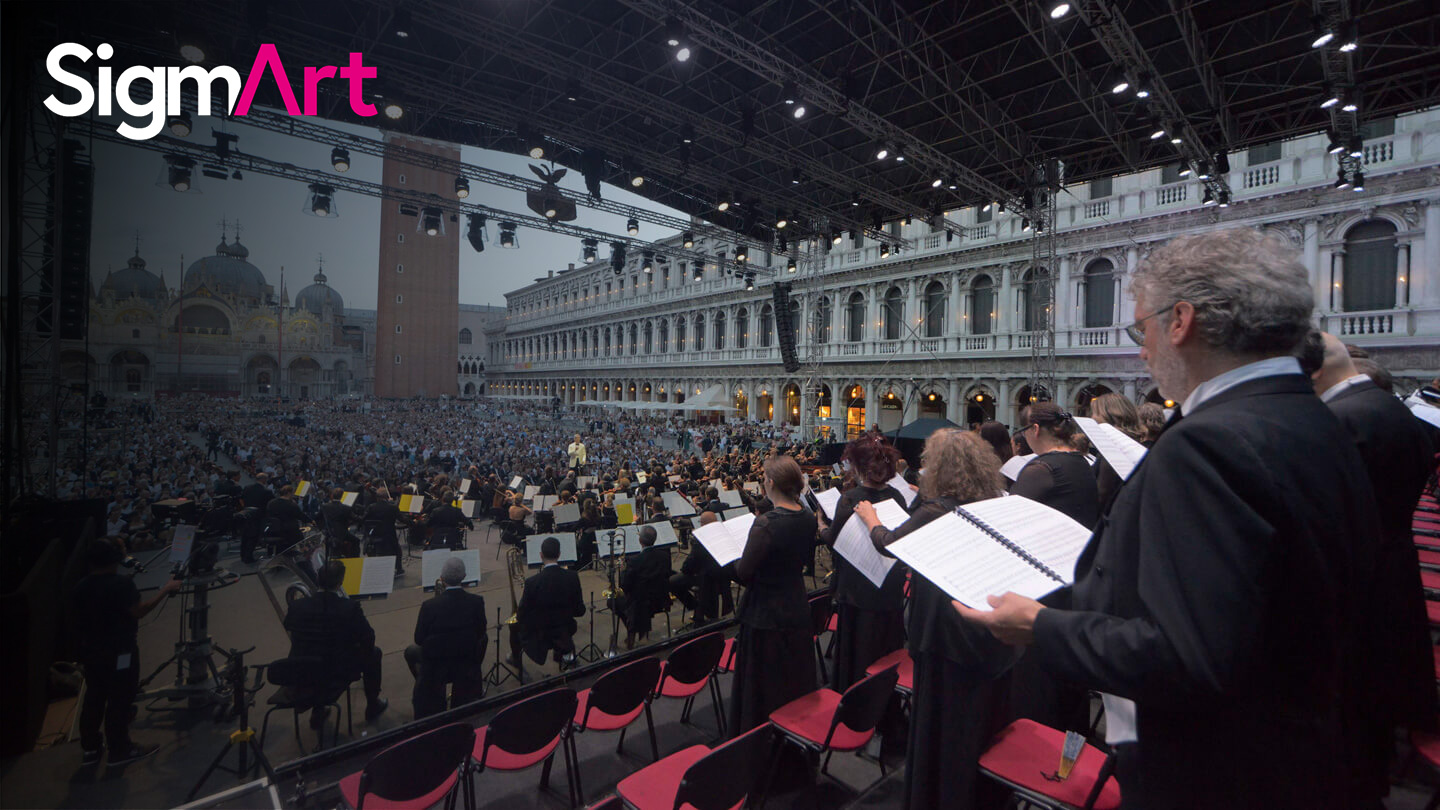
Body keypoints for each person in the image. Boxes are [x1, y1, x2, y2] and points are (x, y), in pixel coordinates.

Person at [954, 228, 1380, 809]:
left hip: (1217, 771)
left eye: (1142, 328)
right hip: (1305, 752)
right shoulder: (1317, 422)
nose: (1141, 350)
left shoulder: (1210, 444)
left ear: (1180, 321)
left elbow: (1187, 656)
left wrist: (1039, 626)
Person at [1307, 330, 1438, 805]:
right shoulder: (1390, 409)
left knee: (1352, 719)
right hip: (1391, 574)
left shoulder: (1341, 420)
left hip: (1357, 586)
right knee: (1371, 717)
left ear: (1314, 371)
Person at [856, 430, 1017, 810]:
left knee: (941, 719)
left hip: (943, 629)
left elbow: (890, 543)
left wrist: (870, 517)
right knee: (969, 717)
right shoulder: (991, 501)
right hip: (980, 623)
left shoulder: (937, 509)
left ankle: (936, 791)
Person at [727, 455, 818, 734]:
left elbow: (744, 572)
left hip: (765, 613)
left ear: (771, 483)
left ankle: (759, 736)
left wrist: (728, 556)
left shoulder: (767, 524)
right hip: (795, 603)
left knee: (764, 685)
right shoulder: (807, 516)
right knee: (790, 679)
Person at [72, 539, 183, 766]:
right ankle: (120, 749)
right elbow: (138, 611)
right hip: (120, 652)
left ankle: (91, 748)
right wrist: (166, 590)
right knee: (120, 698)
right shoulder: (121, 585)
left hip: (91, 652)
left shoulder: (80, 586)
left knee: (94, 697)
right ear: (116, 559)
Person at [816, 433, 909, 691]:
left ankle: (855, 701)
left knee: (857, 652)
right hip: (888, 587)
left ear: (857, 467)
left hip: (857, 591)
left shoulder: (850, 500)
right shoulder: (898, 498)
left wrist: (822, 526)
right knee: (885, 650)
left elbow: (835, 541)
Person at [283, 560, 389, 727]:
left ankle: (318, 711)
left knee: (314, 653)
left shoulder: (297, 606)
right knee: (374, 653)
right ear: (341, 582)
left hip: (300, 672)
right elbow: (368, 638)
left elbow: (288, 626)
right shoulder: (349, 608)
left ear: (318, 580)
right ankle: (372, 704)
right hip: (334, 672)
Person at [404, 557, 487, 718]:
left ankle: (428, 685)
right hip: (464, 659)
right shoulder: (476, 602)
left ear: (442, 579)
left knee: (410, 651)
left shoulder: (429, 606)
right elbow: (480, 632)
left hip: (436, 663)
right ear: (464, 577)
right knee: (484, 640)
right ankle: (470, 681)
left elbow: (419, 639)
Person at [515, 536, 586, 670]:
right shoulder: (572, 577)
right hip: (566, 628)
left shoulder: (532, 582)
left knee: (516, 628)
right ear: (559, 555)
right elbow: (580, 611)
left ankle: (515, 658)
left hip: (541, 633)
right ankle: (565, 654)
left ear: (541, 555)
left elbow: (522, 614)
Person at [670, 511, 734, 625]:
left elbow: (688, 567)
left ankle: (695, 606)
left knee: (672, 582)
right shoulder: (726, 535)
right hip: (725, 577)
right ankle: (698, 610)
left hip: (706, 579)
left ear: (703, 524)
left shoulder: (700, 540)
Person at [615, 525, 673, 648]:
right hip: (661, 600)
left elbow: (624, 586)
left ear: (640, 541)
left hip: (640, 605)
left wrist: (622, 571)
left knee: (613, 602)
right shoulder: (665, 557)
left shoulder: (634, 561)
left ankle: (633, 630)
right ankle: (640, 629)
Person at [1087, 393, 1146, 509]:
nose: (1092, 418)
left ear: (1109, 415)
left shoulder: (1113, 447)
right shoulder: (1133, 442)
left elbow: (1102, 492)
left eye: (1094, 413)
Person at [361, 486, 407, 576]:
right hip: (389, 535)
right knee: (398, 550)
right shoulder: (392, 507)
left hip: (374, 534)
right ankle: (399, 569)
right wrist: (414, 522)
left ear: (377, 497)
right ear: (386, 497)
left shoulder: (371, 507)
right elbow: (402, 519)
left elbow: (364, 519)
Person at [264, 485, 305, 553]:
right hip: (288, 533)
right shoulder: (291, 504)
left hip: (272, 531)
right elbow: (300, 516)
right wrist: (312, 521)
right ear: (289, 493)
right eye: (292, 493)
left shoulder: (271, 503)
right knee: (300, 534)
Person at [320, 488, 358, 556]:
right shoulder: (346, 507)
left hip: (328, 533)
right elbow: (355, 518)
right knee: (356, 541)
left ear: (332, 496)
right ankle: (354, 558)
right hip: (342, 534)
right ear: (342, 496)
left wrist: (323, 528)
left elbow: (317, 518)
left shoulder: (324, 506)